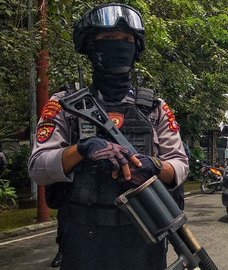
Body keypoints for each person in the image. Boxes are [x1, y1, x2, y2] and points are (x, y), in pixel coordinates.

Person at [27, 3, 189, 269]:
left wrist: (156, 166)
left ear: (135, 49)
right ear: (91, 47)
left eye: (126, 40)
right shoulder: (65, 105)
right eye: (109, 39)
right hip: (83, 241)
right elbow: (38, 168)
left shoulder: (155, 108)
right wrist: (82, 149)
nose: (119, 46)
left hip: (143, 239)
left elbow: (180, 165)